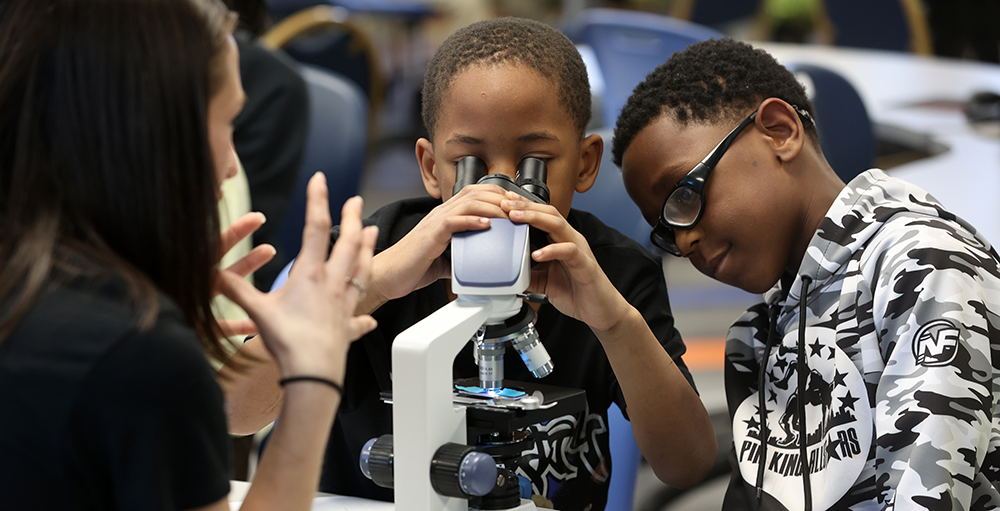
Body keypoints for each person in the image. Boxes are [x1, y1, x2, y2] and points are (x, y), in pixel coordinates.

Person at [225, 16, 717, 509]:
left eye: (534, 164)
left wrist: (615, 324)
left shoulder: (613, 273)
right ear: (430, 168)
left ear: (586, 162)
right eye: (471, 166)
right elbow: (236, 412)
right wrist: (369, 286)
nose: (500, 192)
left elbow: (686, 463)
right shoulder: (367, 254)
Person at [0, 0, 378, 510]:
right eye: (229, 123)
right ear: (158, 139)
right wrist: (313, 378)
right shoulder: (140, 360)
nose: (230, 167)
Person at [612, 38, 1000, 510]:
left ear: (780, 131)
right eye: (664, 230)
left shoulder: (923, 268)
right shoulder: (759, 333)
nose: (684, 241)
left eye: (684, 198)